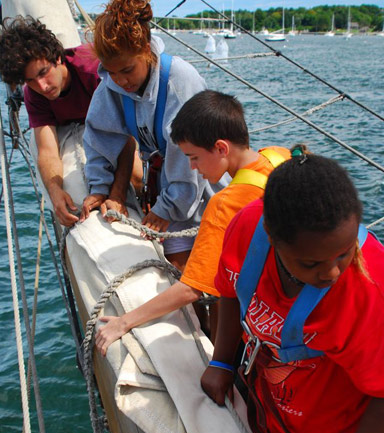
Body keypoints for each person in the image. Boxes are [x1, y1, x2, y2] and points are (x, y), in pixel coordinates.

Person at [201, 151, 384, 433]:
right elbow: (230, 291)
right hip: (273, 429)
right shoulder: (246, 228)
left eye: (344, 253)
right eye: (312, 262)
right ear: (271, 234)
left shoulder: (372, 293)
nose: (333, 272)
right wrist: (222, 363)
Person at [94, 90, 290, 355]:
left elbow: (191, 289)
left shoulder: (225, 204)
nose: (193, 168)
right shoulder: (278, 156)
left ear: (221, 148)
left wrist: (123, 322)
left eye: (194, 157)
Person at [80, 0, 227, 271]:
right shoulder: (111, 86)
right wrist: (100, 187)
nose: (121, 81)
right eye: (111, 72)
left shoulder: (180, 81)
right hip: (166, 188)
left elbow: (192, 159)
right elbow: (99, 138)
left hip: (203, 186)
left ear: (146, 51)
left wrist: (166, 209)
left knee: (213, 274)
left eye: (127, 70)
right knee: (177, 271)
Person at [0, 15, 138, 226]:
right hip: (68, 128)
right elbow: (47, 150)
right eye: (30, 81)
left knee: (136, 178)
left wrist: (117, 194)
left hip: (113, 126)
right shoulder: (33, 94)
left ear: (57, 58)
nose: (42, 86)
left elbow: (125, 134)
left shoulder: (93, 70)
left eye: (43, 73)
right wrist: (55, 192)